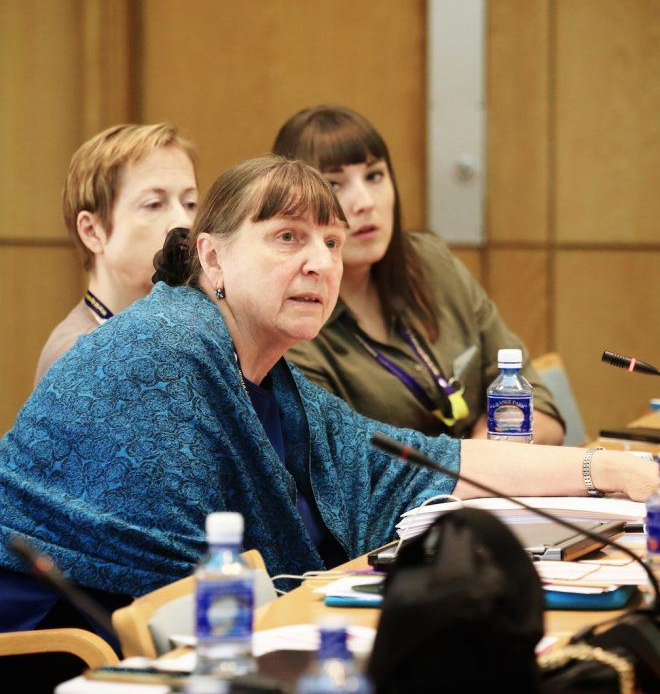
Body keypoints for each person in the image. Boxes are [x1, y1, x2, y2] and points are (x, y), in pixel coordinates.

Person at [0, 156, 654, 652]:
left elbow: (421, 460)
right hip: (56, 647)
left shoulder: (271, 373)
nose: (320, 263)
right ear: (212, 255)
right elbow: (179, 585)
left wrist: (610, 472)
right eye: (288, 238)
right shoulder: (167, 348)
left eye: (332, 243)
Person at [273, 105, 565, 444]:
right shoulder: (295, 323)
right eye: (335, 184)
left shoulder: (430, 263)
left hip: (491, 488)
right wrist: (483, 465)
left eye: (375, 176)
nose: (365, 202)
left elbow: (540, 408)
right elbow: (343, 465)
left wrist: (486, 456)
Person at [33, 122, 199, 385]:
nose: (184, 222)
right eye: (154, 204)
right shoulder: (75, 354)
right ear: (92, 231)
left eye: (190, 203)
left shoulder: (189, 333)